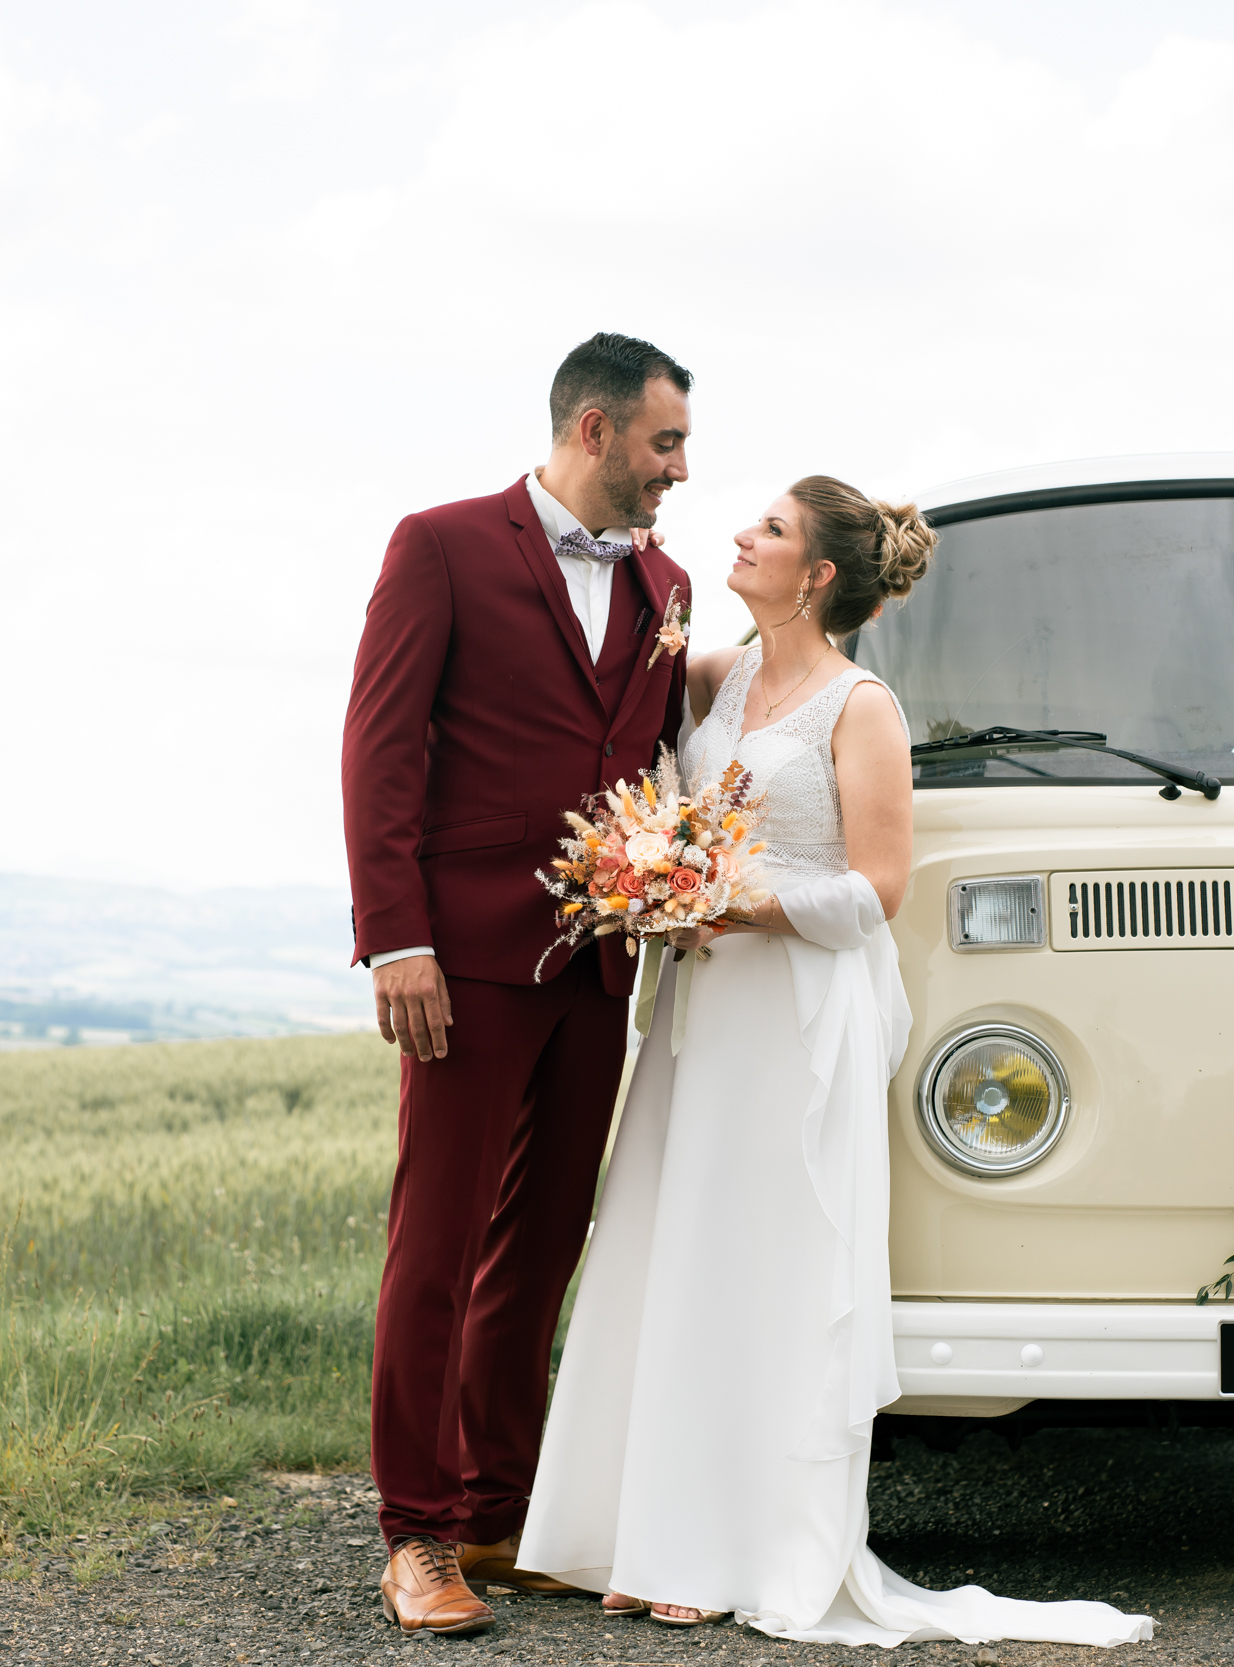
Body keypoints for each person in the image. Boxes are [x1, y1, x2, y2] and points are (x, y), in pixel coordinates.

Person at [518, 478, 1156, 1649]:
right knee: (679, 1244)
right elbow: (625, 691)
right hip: (703, 1008)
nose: (742, 536)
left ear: (815, 574)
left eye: (768, 529)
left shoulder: (862, 706)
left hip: (800, 1007)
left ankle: (745, 1547)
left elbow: (878, 887)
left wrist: (735, 898)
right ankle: (647, 1528)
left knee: (775, 1262)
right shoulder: (715, 678)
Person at [339, 332, 695, 1637]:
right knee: (433, 1248)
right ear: (594, 429)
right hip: (463, 958)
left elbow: (645, 757)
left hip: (600, 963)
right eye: (665, 443)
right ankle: (416, 1534)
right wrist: (396, 934)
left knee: (540, 1246)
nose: (680, 470)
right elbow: (378, 742)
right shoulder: (440, 544)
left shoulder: (668, 583)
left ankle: (497, 1511)